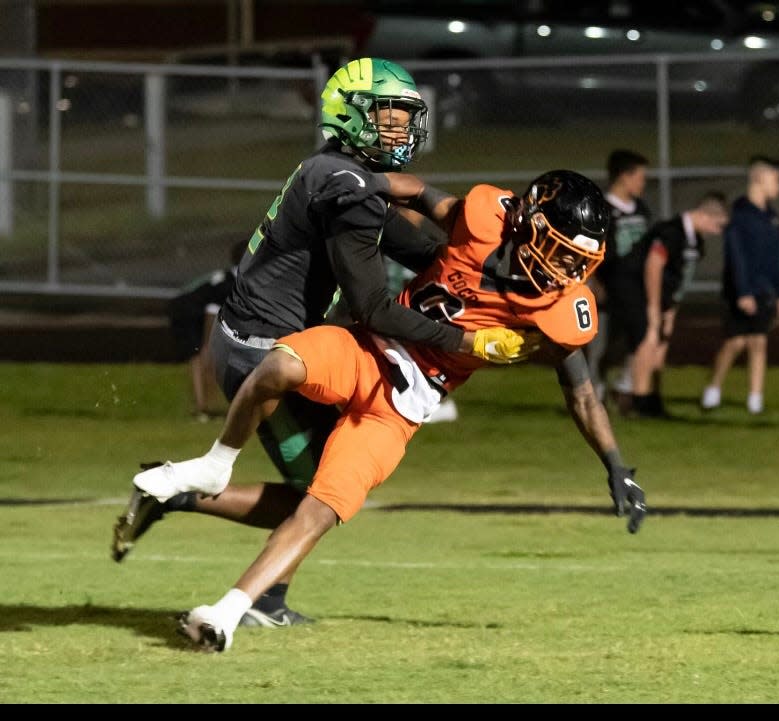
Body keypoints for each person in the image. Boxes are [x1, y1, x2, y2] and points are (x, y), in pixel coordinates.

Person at [134, 168, 647, 652]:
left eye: (579, 262)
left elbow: (581, 392)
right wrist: (366, 184)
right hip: (367, 349)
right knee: (281, 365)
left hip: (401, 407)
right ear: (528, 223)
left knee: (319, 508)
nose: (567, 272)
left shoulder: (560, 310)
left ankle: (225, 613)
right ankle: (215, 463)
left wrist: (615, 463)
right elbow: (420, 191)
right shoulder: (484, 216)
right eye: (560, 254)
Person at [111, 57, 535, 628]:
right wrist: (465, 341)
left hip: (255, 341)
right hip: (263, 352)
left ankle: (227, 541)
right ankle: (226, 546)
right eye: (389, 115)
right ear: (352, 114)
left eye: (405, 116)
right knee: (319, 497)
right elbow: (373, 309)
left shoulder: (341, 176)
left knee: (316, 491)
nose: (402, 128)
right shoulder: (349, 188)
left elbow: (425, 253)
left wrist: (501, 273)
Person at [608, 192, 728, 418]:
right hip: (634, 289)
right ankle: (638, 402)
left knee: (659, 343)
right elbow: (653, 267)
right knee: (646, 339)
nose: (718, 232)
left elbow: (679, 278)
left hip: (659, 296)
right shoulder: (671, 232)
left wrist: (670, 310)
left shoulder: (695, 241)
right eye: (718, 225)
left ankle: (650, 399)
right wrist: (653, 309)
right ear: (705, 215)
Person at [699, 156, 779, 416]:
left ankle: (755, 398)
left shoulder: (772, 216)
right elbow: (735, 256)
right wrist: (743, 292)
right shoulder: (738, 214)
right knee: (736, 342)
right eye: (776, 179)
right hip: (740, 291)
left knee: (759, 341)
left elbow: (776, 258)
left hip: (764, 290)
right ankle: (713, 388)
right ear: (759, 178)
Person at [586, 149, 653, 411]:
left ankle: (625, 388)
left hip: (635, 290)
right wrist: (592, 282)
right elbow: (589, 249)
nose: (643, 183)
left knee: (635, 341)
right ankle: (593, 395)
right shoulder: (601, 210)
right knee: (600, 345)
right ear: (624, 177)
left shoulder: (641, 210)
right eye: (640, 177)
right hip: (607, 289)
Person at [167, 239, 248, 421]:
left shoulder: (233, 279)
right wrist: (207, 343)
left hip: (192, 309)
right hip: (186, 311)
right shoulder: (229, 285)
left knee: (207, 355)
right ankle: (202, 408)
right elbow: (211, 312)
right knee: (200, 355)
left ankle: (206, 406)